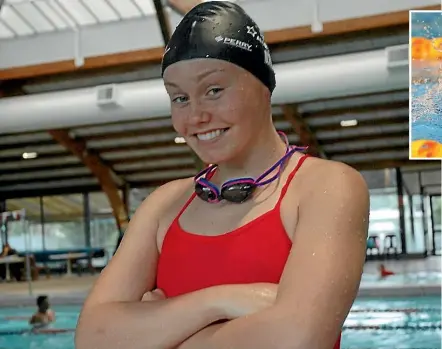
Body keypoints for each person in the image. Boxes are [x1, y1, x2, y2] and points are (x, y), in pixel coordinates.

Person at [75, 2, 369, 349]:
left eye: (214, 90)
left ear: (264, 88)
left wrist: (155, 331)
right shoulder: (164, 204)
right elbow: (93, 339)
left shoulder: (326, 188)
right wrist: (217, 300)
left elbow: (295, 339)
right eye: (180, 97)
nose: (196, 115)